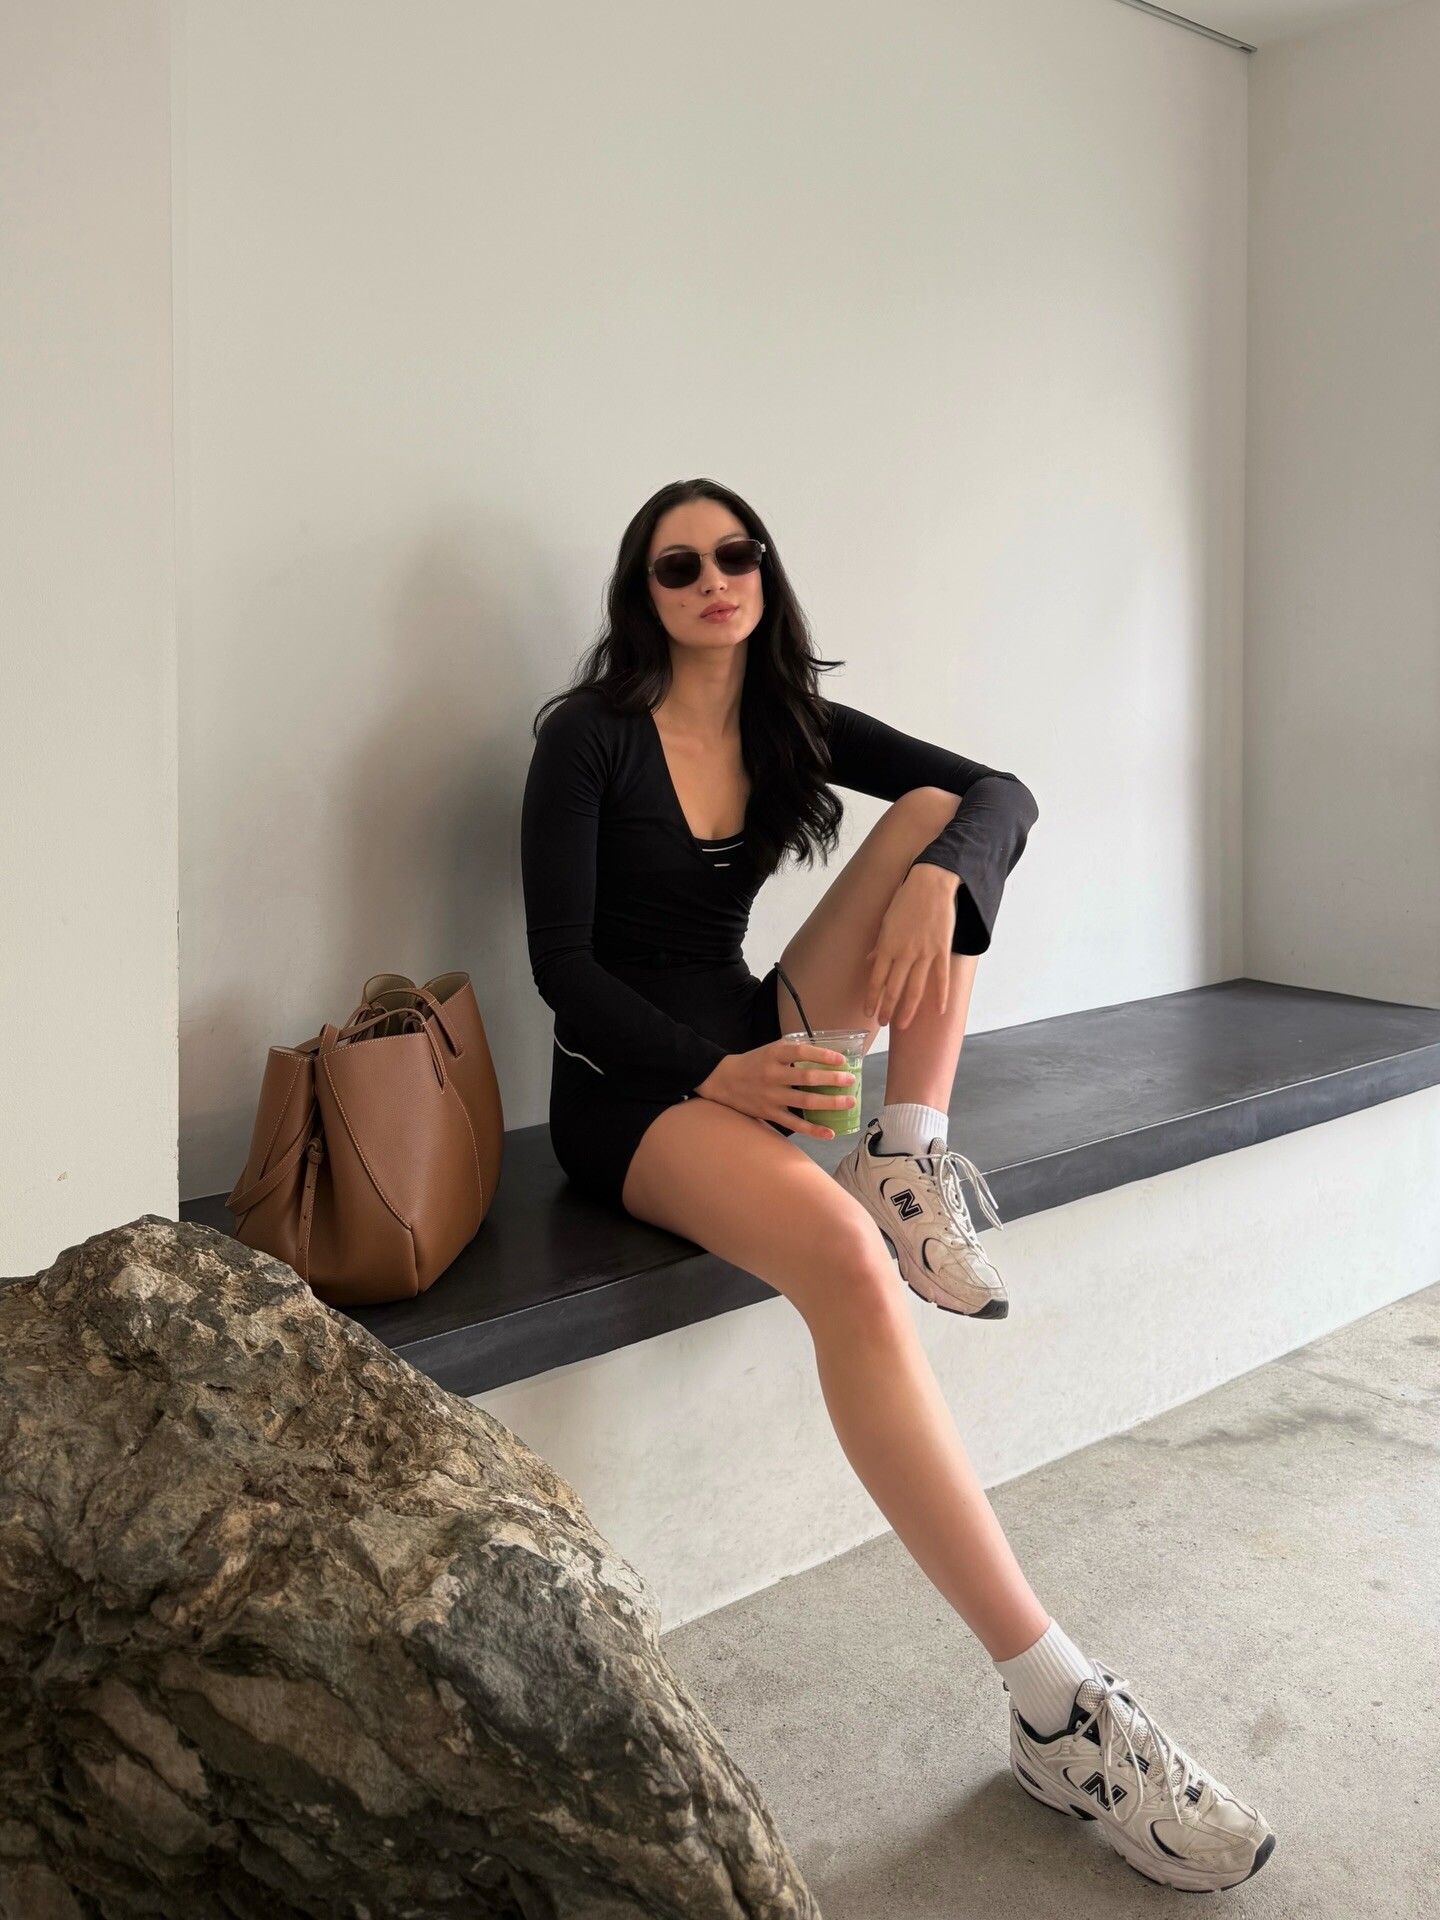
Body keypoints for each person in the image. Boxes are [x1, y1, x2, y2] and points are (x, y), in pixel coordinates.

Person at [520, 477, 1275, 1894]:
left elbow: (1004, 796)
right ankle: (1059, 1710)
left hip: (761, 1040)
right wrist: (720, 1076)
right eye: (679, 565)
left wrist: (939, 882)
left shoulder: (783, 719)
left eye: (736, 553)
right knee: (854, 1274)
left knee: (943, 819)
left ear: (764, 572)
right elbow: (561, 969)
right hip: (635, 1094)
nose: (713, 579)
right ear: (644, 593)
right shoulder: (590, 737)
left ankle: (906, 1144)